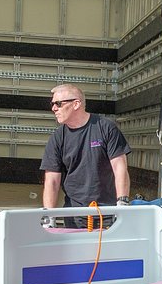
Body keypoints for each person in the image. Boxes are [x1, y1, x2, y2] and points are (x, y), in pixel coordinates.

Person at [40, 84, 131, 213]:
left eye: (58, 103)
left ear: (76, 104)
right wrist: (48, 216)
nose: (54, 108)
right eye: (52, 104)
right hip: (73, 215)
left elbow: (119, 167)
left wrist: (122, 204)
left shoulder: (106, 128)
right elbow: (52, 180)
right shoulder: (57, 138)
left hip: (108, 213)